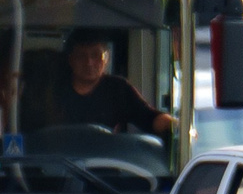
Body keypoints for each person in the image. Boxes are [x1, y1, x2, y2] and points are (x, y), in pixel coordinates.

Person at [41, 31, 176, 136]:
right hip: (56, 166)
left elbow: (149, 118)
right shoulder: (52, 88)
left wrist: (175, 125)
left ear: (106, 58)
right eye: (81, 56)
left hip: (105, 168)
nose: (89, 63)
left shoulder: (118, 89)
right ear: (70, 60)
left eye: (96, 55)